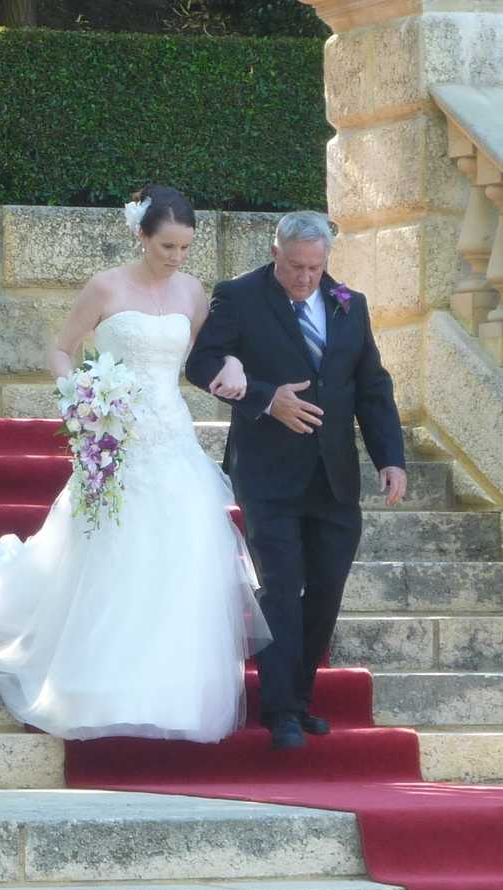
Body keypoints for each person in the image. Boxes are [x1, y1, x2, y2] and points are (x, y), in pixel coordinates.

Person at [0, 185, 269, 742]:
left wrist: (234, 361)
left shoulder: (192, 292)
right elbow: (62, 347)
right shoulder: (105, 287)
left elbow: (205, 357)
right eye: (167, 246)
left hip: (172, 437)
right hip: (115, 436)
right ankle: (94, 684)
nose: (177, 257)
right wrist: (82, 398)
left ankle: (169, 693)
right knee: (114, 552)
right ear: (141, 236)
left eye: (185, 248)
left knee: (181, 551)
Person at [186, 211, 408, 750]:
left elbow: (371, 387)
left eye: (315, 266)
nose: (305, 277)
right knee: (281, 587)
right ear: (275, 251)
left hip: (334, 475)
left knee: (326, 589)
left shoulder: (350, 306)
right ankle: (280, 710)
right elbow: (202, 362)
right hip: (266, 472)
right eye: (294, 266)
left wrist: (390, 458)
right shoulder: (238, 296)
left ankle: (300, 697)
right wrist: (265, 397)